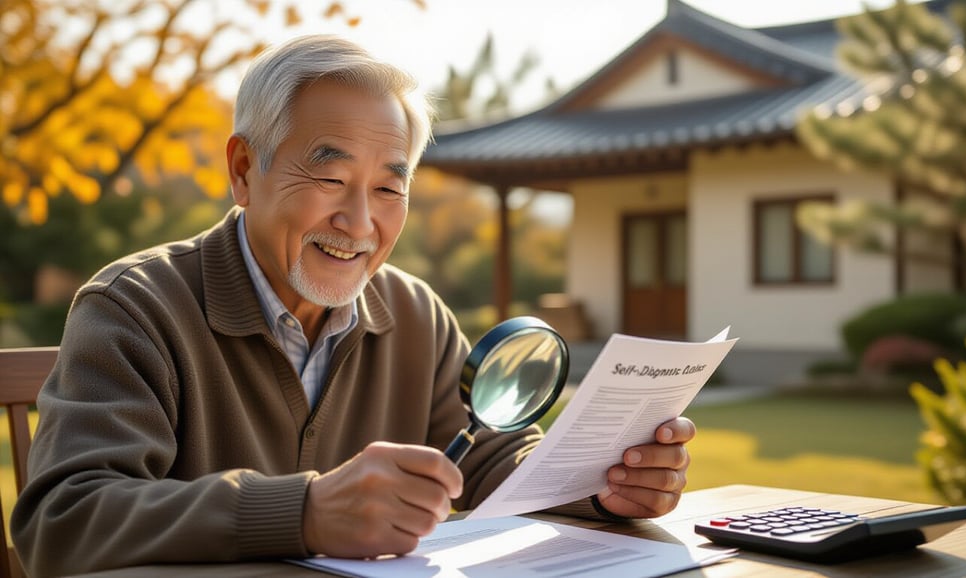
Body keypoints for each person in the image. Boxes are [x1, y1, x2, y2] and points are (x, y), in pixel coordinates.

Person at [11, 34, 697, 577]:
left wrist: (600, 488)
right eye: (330, 176)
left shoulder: (415, 314)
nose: (360, 223)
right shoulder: (135, 307)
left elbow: (490, 459)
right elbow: (60, 523)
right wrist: (304, 511)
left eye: (389, 189)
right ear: (244, 170)